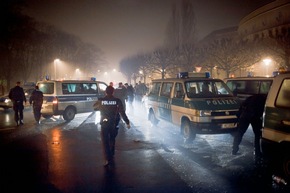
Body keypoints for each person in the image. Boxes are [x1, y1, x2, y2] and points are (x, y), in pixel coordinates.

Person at [93, 86, 130, 167]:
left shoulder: (101, 100)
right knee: (112, 138)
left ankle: (107, 158)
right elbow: (122, 112)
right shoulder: (117, 101)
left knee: (105, 141)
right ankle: (112, 153)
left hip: (104, 123)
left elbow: (94, 108)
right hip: (114, 123)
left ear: (105, 92)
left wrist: (101, 108)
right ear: (113, 92)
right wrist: (127, 122)